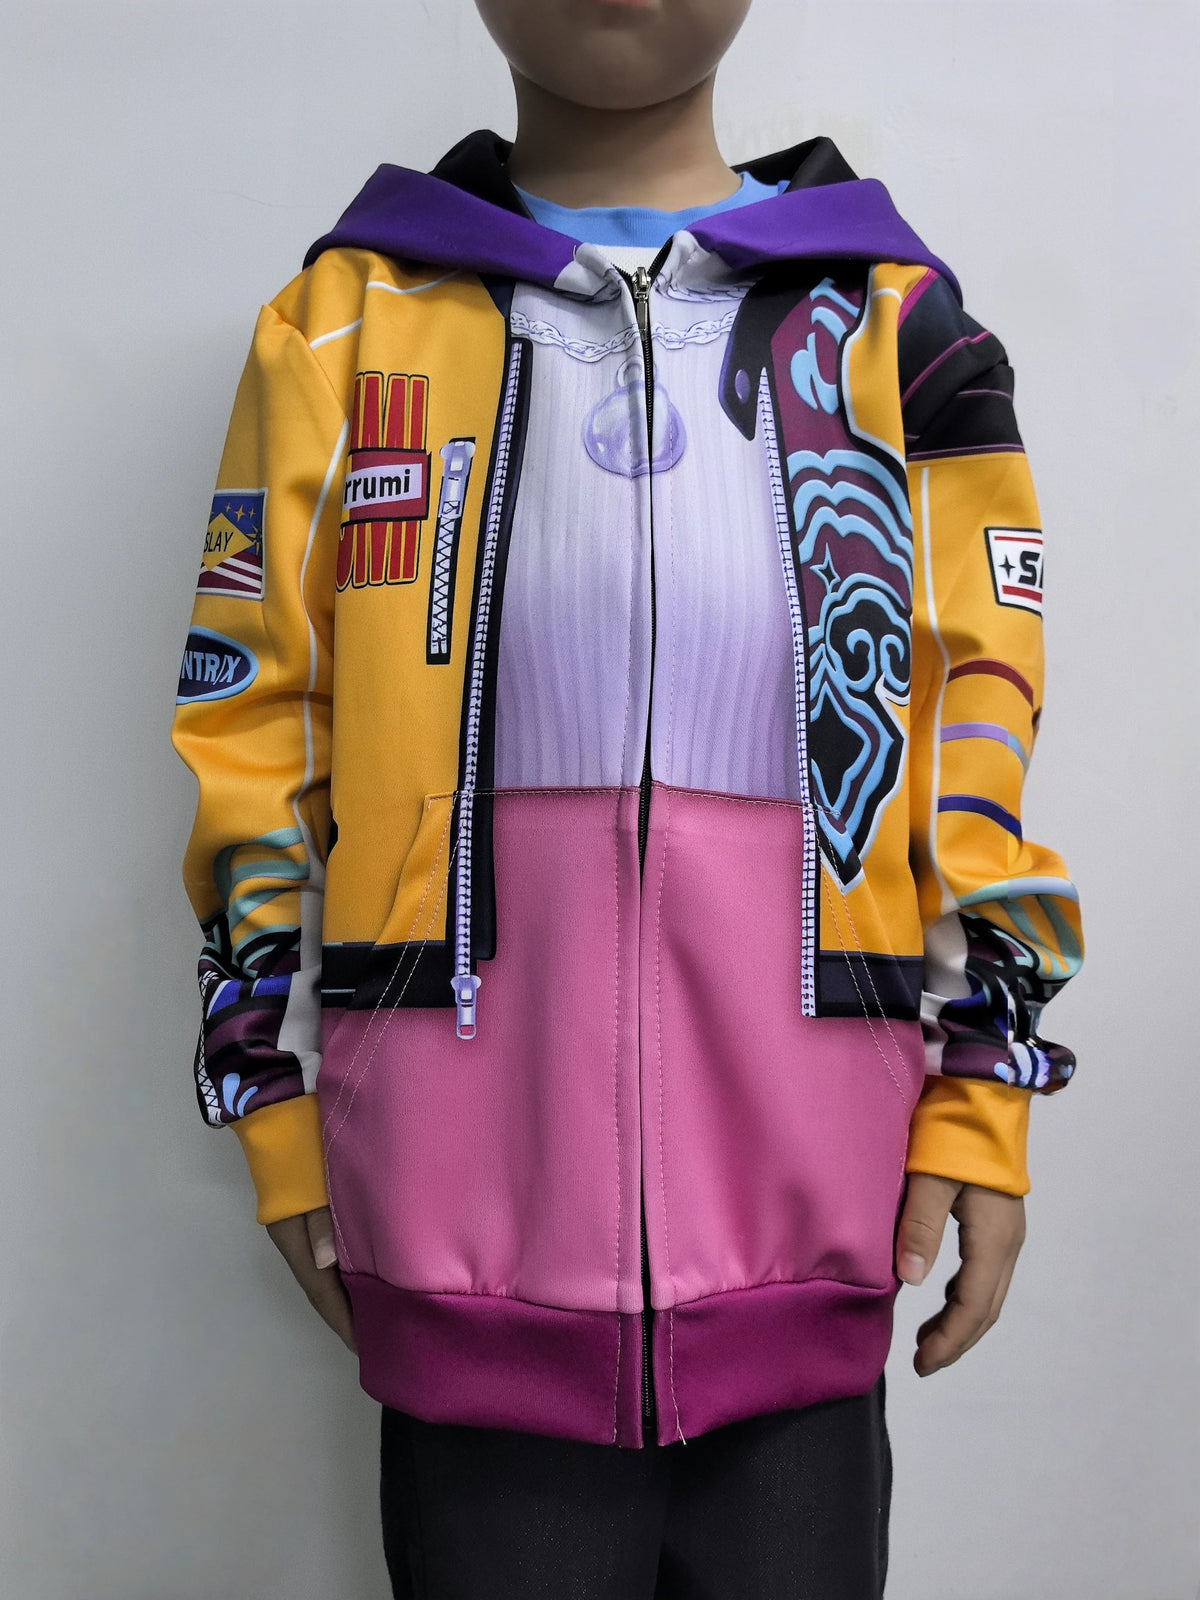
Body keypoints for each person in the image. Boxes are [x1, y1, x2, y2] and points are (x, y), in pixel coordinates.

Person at [170, 1, 1085, 1594]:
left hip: (814, 1250)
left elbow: (975, 733)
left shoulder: (898, 329)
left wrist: (986, 1097)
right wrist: (275, 1114)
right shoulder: (338, 329)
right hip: (456, 1257)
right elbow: (252, 727)